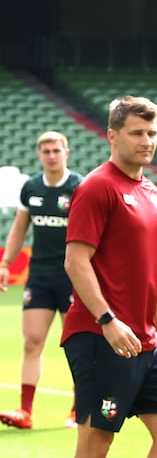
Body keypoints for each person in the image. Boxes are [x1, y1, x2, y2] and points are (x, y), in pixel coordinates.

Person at [60, 96, 157, 458]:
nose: (146, 141)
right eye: (137, 133)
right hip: (101, 336)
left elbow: (149, 268)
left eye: (152, 133)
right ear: (112, 136)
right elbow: (75, 261)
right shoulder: (97, 187)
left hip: (146, 340)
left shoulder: (152, 192)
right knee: (96, 442)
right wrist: (108, 320)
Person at [0, 131, 82, 430]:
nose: (51, 155)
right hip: (40, 276)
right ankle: (25, 412)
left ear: (66, 153)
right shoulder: (31, 187)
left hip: (74, 276)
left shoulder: (79, 187)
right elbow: (20, 229)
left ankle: (78, 410)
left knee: (76, 345)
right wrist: (6, 263)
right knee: (32, 341)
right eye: (45, 151)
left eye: (56, 150)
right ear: (39, 155)